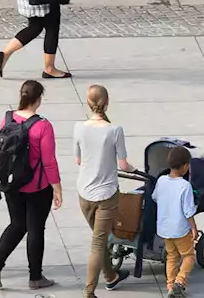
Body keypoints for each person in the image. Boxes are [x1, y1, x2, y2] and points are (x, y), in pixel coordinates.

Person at [0, 81, 62, 289]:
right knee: (36, 228)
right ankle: (35, 277)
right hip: (37, 186)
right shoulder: (43, 126)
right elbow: (49, 161)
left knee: (17, 224)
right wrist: (57, 187)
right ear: (38, 99)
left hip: (12, 183)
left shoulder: (8, 118)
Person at [73, 85, 136, 295]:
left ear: (88, 103)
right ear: (107, 103)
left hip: (84, 192)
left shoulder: (79, 128)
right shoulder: (114, 130)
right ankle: (89, 291)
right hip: (106, 194)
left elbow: (79, 160)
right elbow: (124, 165)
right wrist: (136, 170)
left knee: (98, 238)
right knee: (98, 243)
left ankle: (110, 276)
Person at [153, 145, 198, 298]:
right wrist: (194, 228)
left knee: (171, 257)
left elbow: (154, 197)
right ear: (185, 166)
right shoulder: (185, 186)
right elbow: (188, 211)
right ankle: (180, 282)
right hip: (180, 230)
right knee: (189, 256)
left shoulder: (161, 180)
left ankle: (171, 287)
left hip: (165, 229)